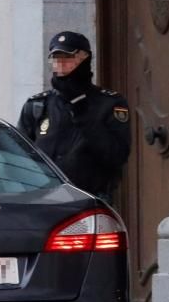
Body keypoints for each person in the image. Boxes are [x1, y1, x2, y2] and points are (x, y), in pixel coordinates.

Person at [18, 31, 131, 202]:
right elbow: (19, 157)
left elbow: (116, 155)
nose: (61, 64)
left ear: (85, 58)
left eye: (68, 58)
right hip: (43, 202)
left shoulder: (109, 104)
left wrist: (82, 113)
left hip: (89, 202)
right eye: (56, 58)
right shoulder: (37, 105)